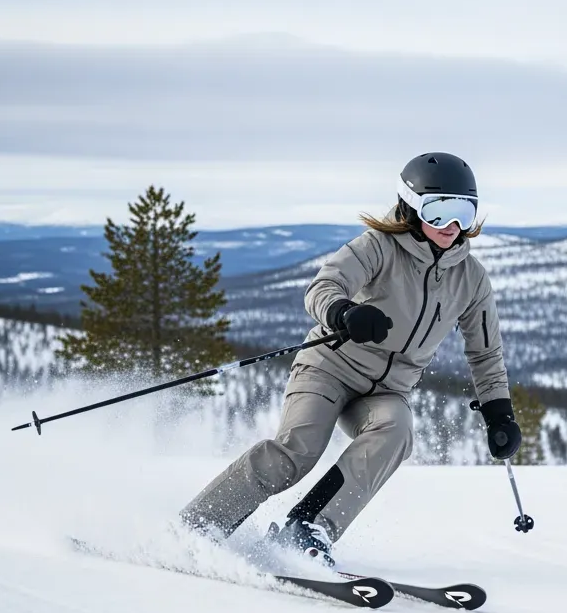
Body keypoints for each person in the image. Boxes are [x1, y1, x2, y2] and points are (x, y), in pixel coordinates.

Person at [180, 152, 522, 563]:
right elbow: (323, 286)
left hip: (389, 390)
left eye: (463, 213)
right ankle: (200, 523)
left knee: (397, 430)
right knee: (298, 449)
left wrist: (499, 413)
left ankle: (308, 527)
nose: (451, 227)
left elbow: (485, 352)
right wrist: (345, 313)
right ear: (411, 207)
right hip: (330, 368)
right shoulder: (379, 247)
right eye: (439, 212)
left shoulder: (471, 279)